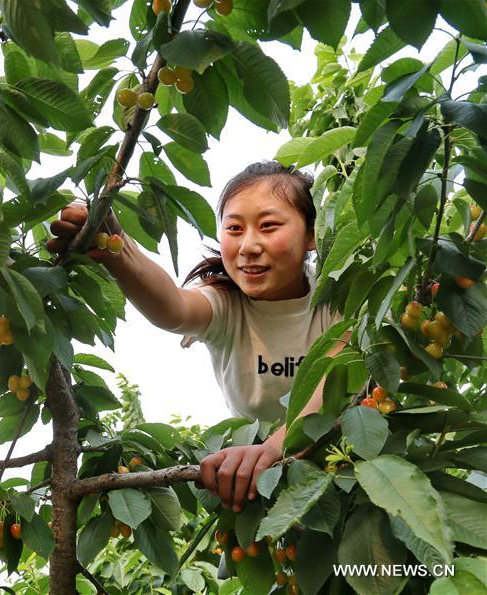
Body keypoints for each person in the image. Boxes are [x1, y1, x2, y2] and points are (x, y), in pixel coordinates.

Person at [47, 161, 346, 513]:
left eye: (268, 226)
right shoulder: (226, 304)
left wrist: (272, 449)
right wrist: (116, 249)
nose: (248, 245)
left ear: (311, 235)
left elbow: (337, 379)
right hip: (266, 490)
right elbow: (173, 307)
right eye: (234, 228)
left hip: (351, 466)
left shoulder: (340, 291)